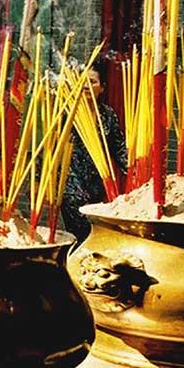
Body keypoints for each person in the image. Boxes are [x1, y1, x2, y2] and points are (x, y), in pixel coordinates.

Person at [61, 62, 127, 243]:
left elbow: (118, 147)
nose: (87, 86)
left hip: (98, 184)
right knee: (80, 233)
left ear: (102, 88)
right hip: (70, 184)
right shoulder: (66, 112)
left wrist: (135, 171)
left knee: (95, 232)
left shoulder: (107, 115)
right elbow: (49, 148)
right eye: (82, 81)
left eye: (93, 81)